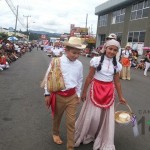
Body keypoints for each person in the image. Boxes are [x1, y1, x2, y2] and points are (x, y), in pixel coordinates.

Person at [74, 39, 127, 150]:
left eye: (115, 50)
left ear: (117, 52)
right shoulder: (96, 60)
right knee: (93, 115)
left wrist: (121, 96)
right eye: (110, 48)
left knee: (104, 116)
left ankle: (101, 134)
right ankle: (88, 132)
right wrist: (83, 92)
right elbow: (89, 77)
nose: (112, 52)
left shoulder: (117, 65)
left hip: (109, 91)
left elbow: (117, 82)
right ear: (105, 48)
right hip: (95, 88)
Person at [43, 37, 86, 150]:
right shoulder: (56, 61)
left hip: (72, 96)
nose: (76, 56)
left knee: (71, 122)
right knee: (57, 117)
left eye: (78, 53)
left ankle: (70, 146)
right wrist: (47, 93)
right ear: (66, 50)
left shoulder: (79, 64)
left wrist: (78, 94)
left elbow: (80, 80)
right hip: (58, 95)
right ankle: (55, 133)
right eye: (73, 52)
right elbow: (48, 77)